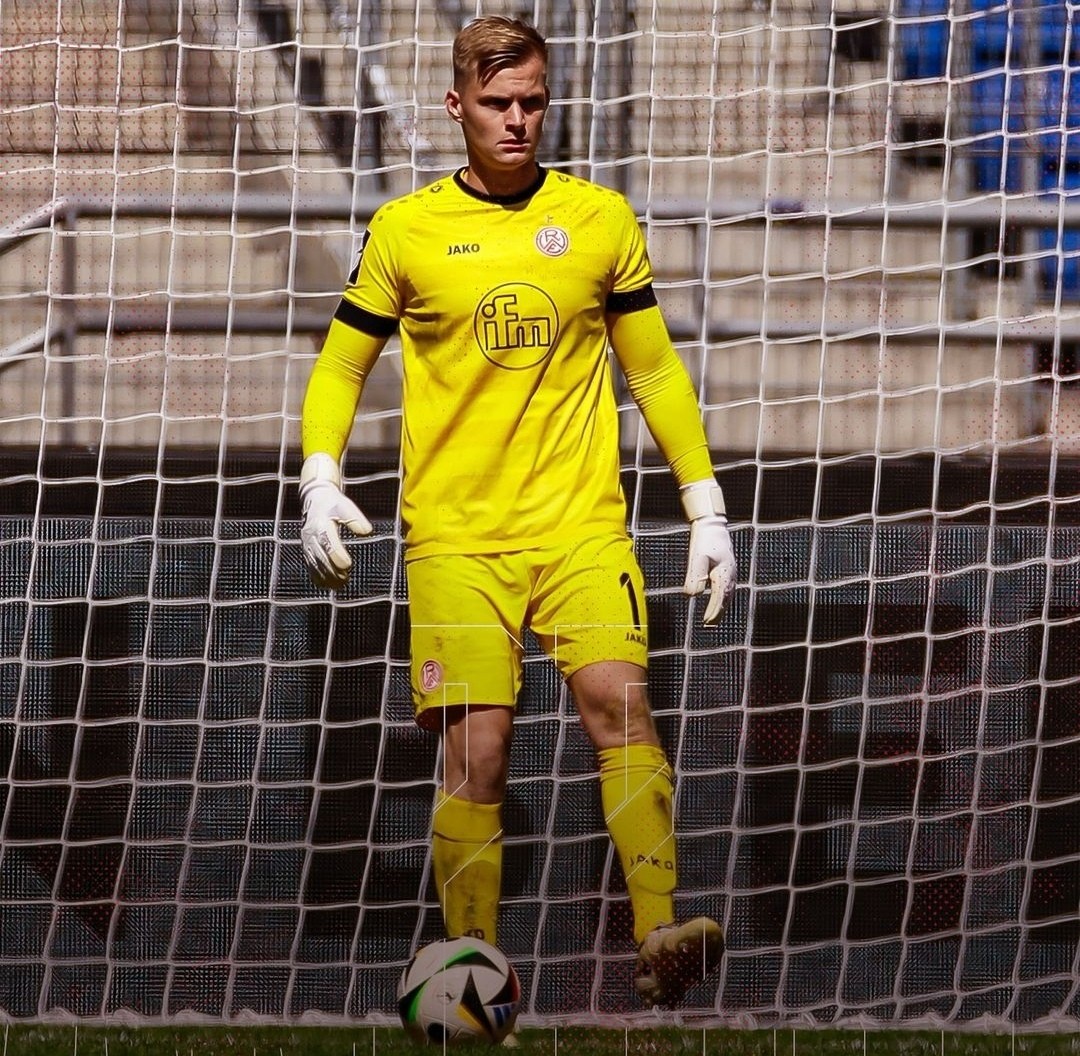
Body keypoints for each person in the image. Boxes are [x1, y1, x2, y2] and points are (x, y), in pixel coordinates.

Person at [298, 15, 736, 1009]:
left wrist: (704, 503)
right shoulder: (405, 230)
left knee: (621, 704)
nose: (516, 120)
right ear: (456, 105)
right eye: (497, 102)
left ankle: (659, 930)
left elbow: (654, 370)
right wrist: (319, 477)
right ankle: (471, 967)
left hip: (581, 524)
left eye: (532, 102)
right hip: (455, 537)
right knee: (478, 754)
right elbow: (341, 364)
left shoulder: (599, 219)